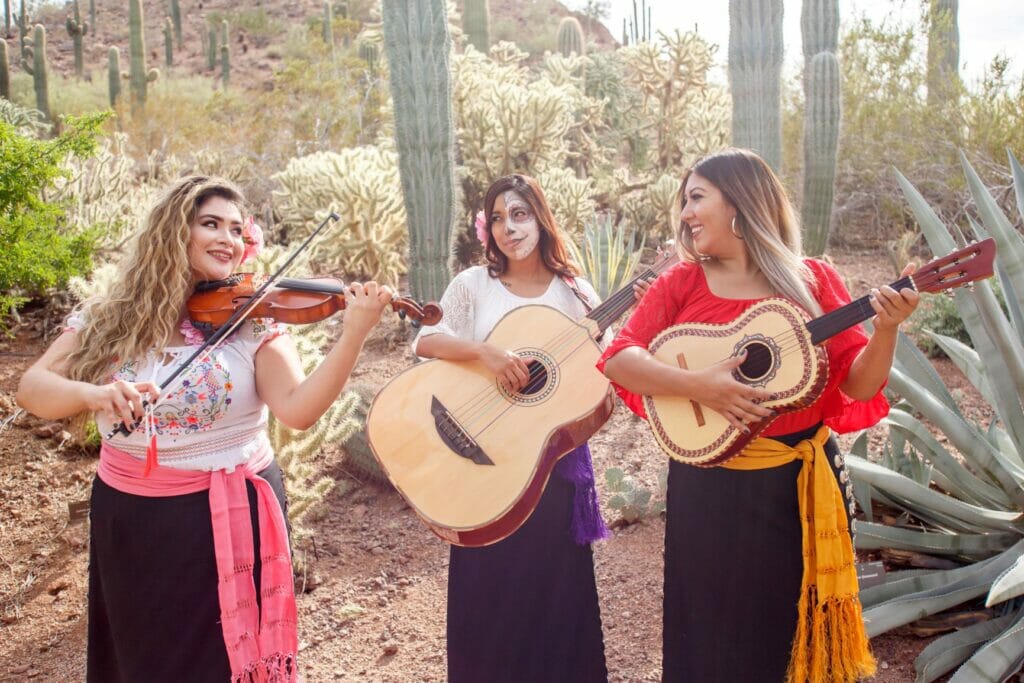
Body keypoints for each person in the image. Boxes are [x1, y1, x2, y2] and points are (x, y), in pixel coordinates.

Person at [16, 176, 393, 682]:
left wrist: (354, 334)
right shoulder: (108, 319)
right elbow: (32, 388)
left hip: (235, 510)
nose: (228, 239)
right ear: (174, 233)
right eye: (210, 223)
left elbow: (298, 410)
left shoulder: (253, 319)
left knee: (223, 660)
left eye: (237, 229)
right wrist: (94, 394)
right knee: (148, 656)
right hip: (137, 519)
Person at [598, 148, 919, 683]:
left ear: (740, 203)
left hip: (795, 488)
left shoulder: (812, 280)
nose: (685, 214)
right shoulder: (681, 283)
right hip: (708, 492)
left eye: (696, 198)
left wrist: (886, 329)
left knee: (787, 630)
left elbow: (858, 383)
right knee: (708, 629)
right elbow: (619, 358)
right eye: (684, 201)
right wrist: (698, 385)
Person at [414, 173, 633, 682]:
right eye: (496, 217)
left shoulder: (575, 292)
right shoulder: (473, 285)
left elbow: (602, 371)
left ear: (540, 217)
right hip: (484, 458)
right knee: (487, 589)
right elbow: (427, 341)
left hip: (553, 462)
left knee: (556, 593)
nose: (508, 227)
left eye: (519, 214)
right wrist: (486, 352)